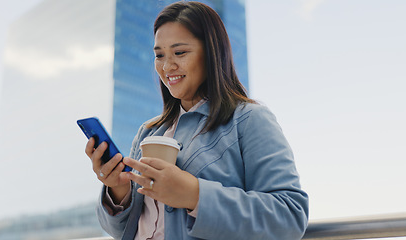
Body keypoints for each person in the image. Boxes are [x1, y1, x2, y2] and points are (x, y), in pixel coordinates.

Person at [85, 1, 309, 239]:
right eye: (159, 55)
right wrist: (118, 190)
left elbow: (290, 216)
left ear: (211, 53)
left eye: (179, 52)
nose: (167, 66)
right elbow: (124, 231)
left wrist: (195, 195)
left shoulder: (249, 120)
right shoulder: (149, 132)